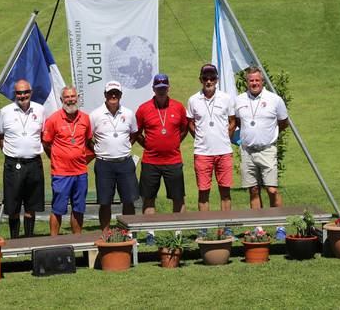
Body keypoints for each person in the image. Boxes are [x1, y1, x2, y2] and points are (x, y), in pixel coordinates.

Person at [135, 74, 189, 244]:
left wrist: (174, 143)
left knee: (178, 197)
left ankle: (178, 233)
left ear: (168, 88)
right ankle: (150, 233)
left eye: (164, 88)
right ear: (153, 89)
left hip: (173, 160)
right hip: (151, 161)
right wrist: (148, 145)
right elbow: (137, 132)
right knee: (149, 198)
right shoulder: (144, 109)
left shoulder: (178, 107)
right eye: (158, 88)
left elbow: (184, 129)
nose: (161, 91)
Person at [0, 79, 45, 238]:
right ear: (14, 94)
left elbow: (43, 134)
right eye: (19, 93)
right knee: (13, 206)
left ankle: (29, 239)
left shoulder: (40, 110)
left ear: (31, 92)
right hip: (13, 165)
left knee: (31, 206)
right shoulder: (5, 112)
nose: (22, 96)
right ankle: (15, 240)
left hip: (34, 163)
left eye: (25, 92)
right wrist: (9, 151)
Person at [42, 86, 94, 235]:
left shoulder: (85, 118)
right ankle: (54, 241)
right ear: (61, 100)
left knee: (78, 208)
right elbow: (46, 143)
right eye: (67, 97)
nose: (70, 100)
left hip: (80, 172)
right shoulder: (53, 119)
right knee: (58, 209)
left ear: (78, 98)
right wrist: (56, 158)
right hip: (61, 173)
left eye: (73, 96)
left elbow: (88, 141)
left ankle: (77, 240)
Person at [235, 66, 289, 209]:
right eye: (251, 80)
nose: (254, 83)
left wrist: (269, 134)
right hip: (247, 151)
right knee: (253, 190)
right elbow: (239, 122)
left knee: (272, 189)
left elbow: (284, 122)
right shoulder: (239, 100)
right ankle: (258, 223)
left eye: (257, 80)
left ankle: (278, 222)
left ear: (262, 81)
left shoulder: (275, 99)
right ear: (247, 82)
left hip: (267, 150)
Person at [187, 64, 236, 214]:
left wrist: (225, 138)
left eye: (212, 78)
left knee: (225, 192)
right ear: (200, 79)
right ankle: (205, 226)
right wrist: (200, 137)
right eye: (205, 78)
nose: (209, 81)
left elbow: (232, 122)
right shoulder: (193, 100)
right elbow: (190, 123)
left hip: (224, 152)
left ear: (217, 80)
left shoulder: (226, 98)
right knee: (203, 193)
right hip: (202, 153)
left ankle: (226, 225)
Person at [89, 81, 139, 231]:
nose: (113, 96)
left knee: (129, 200)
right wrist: (97, 149)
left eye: (116, 93)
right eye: (110, 93)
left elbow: (134, 134)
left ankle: (127, 233)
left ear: (121, 95)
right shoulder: (95, 115)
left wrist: (125, 146)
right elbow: (87, 138)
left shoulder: (128, 113)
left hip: (125, 162)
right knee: (105, 202)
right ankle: (105, 234)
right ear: (105, 95)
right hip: (104, 164)